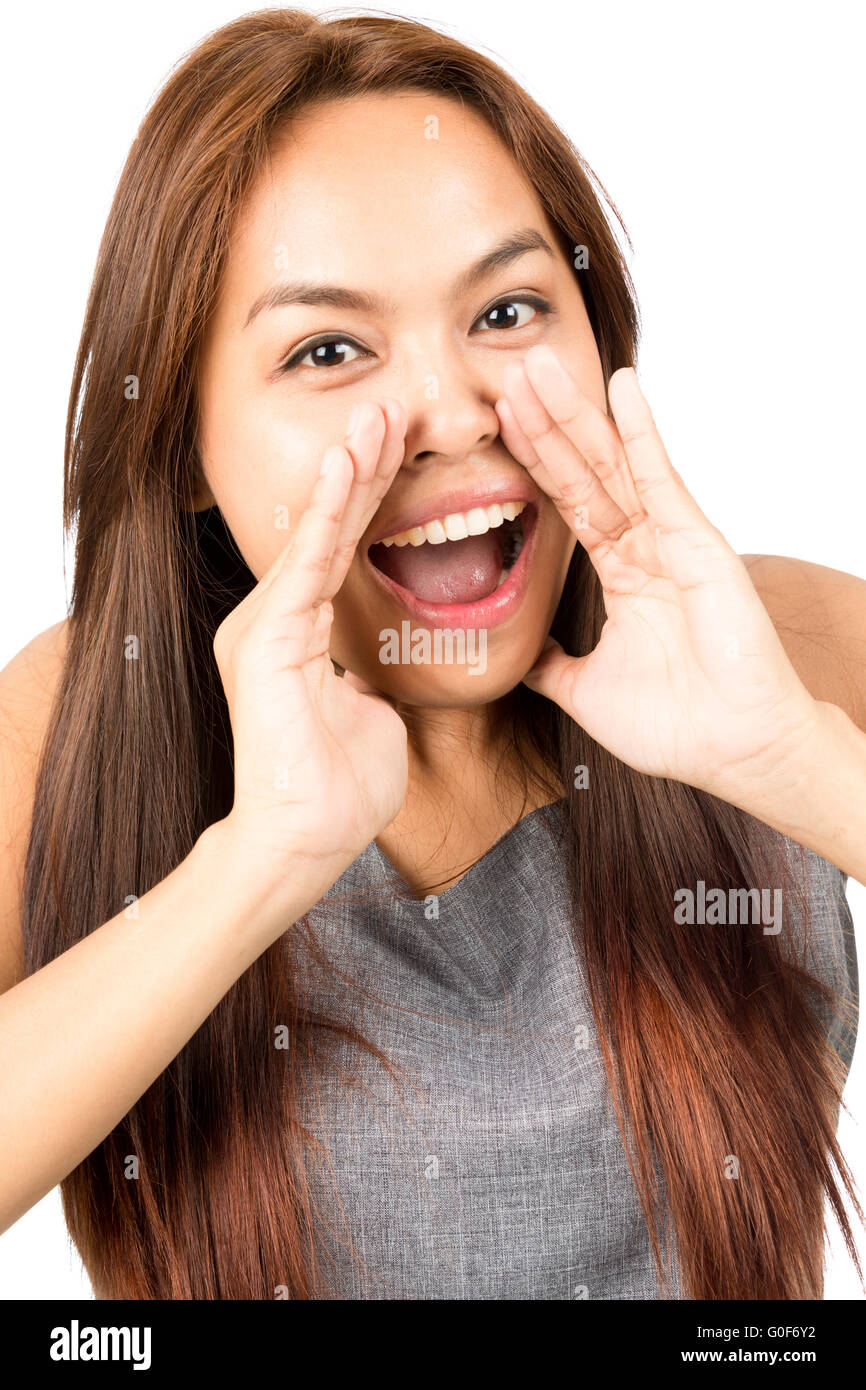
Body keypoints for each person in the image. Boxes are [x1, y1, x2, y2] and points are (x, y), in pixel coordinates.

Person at [1, 8, 863, 1300]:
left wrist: (796, 763)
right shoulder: (80, 716)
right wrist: (247, 870)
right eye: (327, 349)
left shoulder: (772, 641)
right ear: (183, 443)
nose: (453, 411)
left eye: (507, 308)